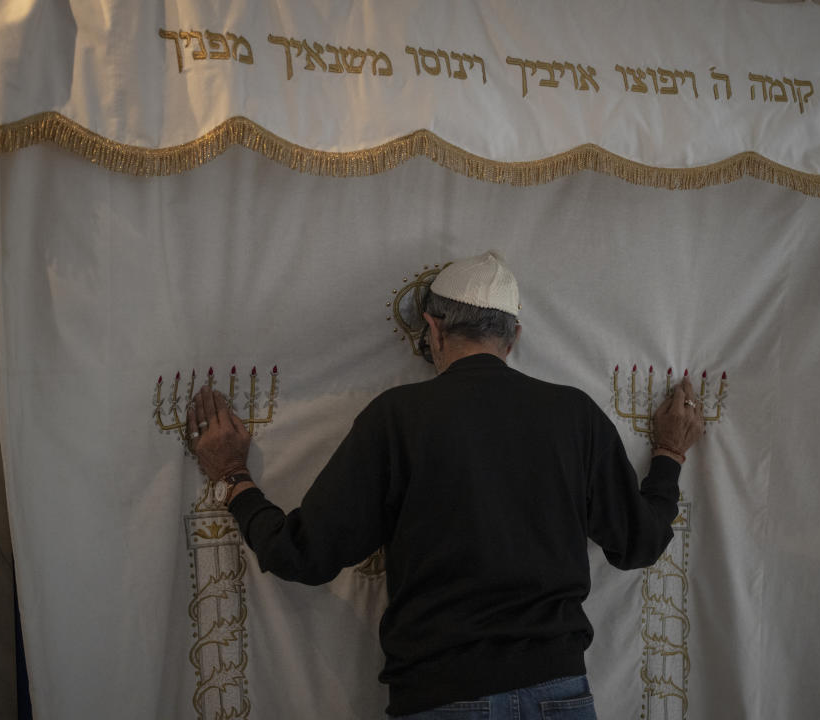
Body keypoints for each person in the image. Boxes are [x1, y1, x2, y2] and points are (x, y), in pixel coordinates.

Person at [185, 251, 704, 719]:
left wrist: (235, 478)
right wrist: (669, 455)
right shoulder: (576, 416)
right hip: (560, 695)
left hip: (441, 697)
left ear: (432, 329)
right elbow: (639, 543)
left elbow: (303, 554)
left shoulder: (398, 419)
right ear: (514, 337)